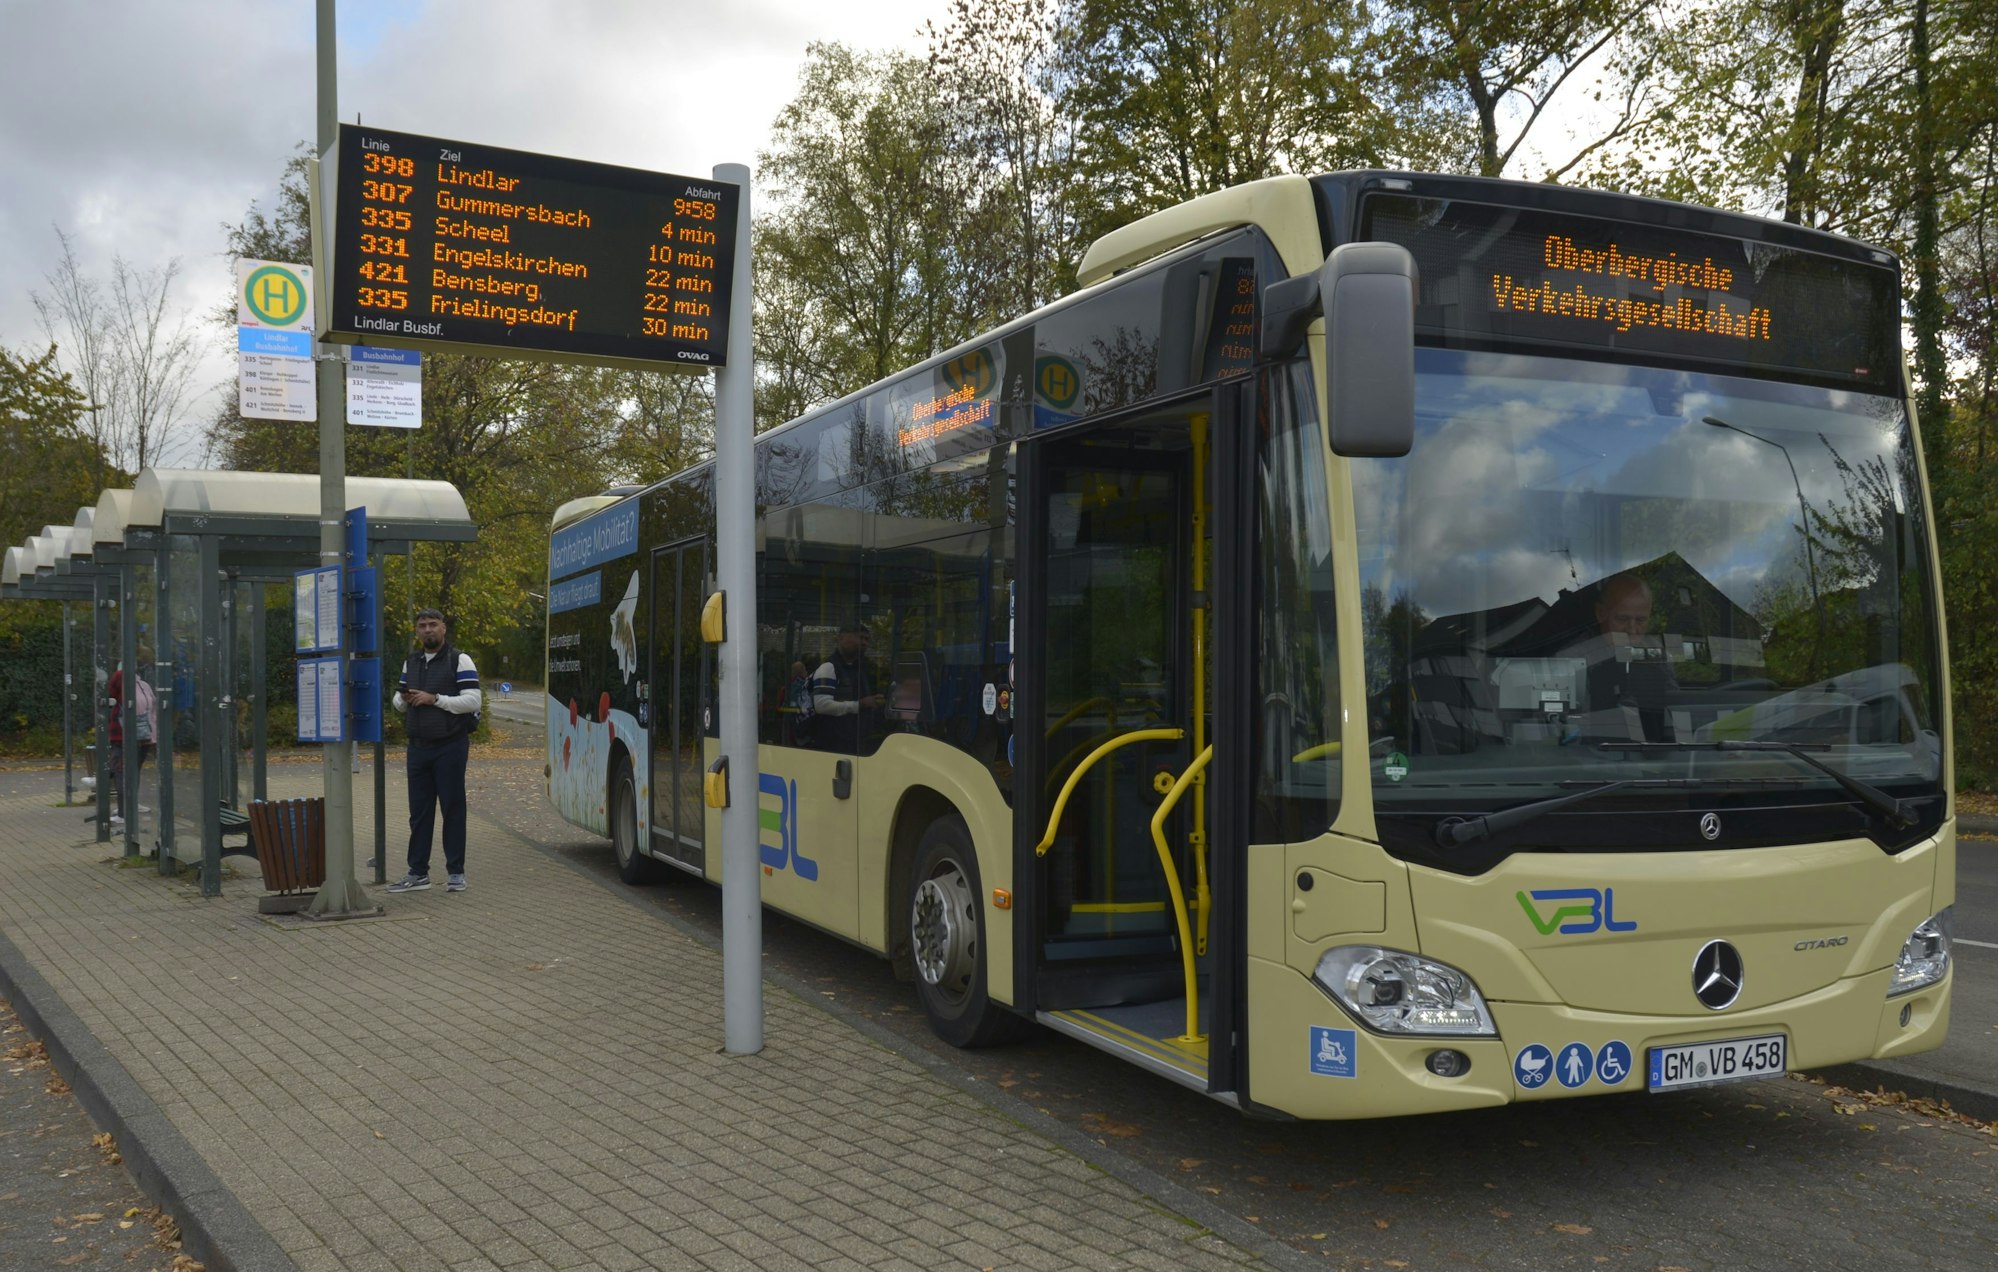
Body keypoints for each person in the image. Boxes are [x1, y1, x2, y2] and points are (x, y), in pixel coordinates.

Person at [388, 609, 481, 893]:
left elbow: (473, 700)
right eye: (422, 626)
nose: (427, 630)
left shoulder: (459, 660)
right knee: (419, 812)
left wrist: (435, 699)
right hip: (418, 747)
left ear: (443, 628)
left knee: (452, 809)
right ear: (416, 631)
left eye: (433, 625)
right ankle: (418, 873)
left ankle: (456, 872)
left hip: (450, 745)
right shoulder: (412, 662)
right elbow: (397, 701)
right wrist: (403, 699)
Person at [1569, 572, 1677, 741]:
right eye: (1622, 619)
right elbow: (1573, 725)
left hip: (1652, 748)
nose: (1632, 630)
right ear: (1601, 613)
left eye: (1641, 620)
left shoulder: (1655, 652)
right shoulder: (1576, 658)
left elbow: (1674, 707)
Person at [105, 646, 158, 829]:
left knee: (121, 772)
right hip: (146, 736)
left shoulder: (122, 679)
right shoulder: (144, 686)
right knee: (133, 771)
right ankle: (130, 805)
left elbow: (107, 695)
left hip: (123, 736)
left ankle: (123, 812)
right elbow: (153, 711)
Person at [809, 625, 883, 752]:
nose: (864, 643)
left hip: (857, 743)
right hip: (832, 744)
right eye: (859, 637)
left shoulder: (862, 669)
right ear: (841, 638)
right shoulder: (829, 667)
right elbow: (822, 705)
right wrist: (860, 704)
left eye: (867, 639)